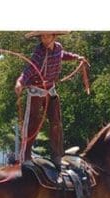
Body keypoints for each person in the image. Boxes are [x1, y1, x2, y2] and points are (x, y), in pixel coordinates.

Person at [15, 32, 88, 166]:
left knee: (56, 122)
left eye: (48, 36)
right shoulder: (39, 52)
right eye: (42, 37)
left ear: (54, 37)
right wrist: (20, 81)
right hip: (36, 90)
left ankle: (57, 156)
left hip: (50, 89)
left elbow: (62, 55)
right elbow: (29, 68)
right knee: (33, 123)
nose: (45, 39)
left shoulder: (58, 47)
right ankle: (25, 156)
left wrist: (77, 57)